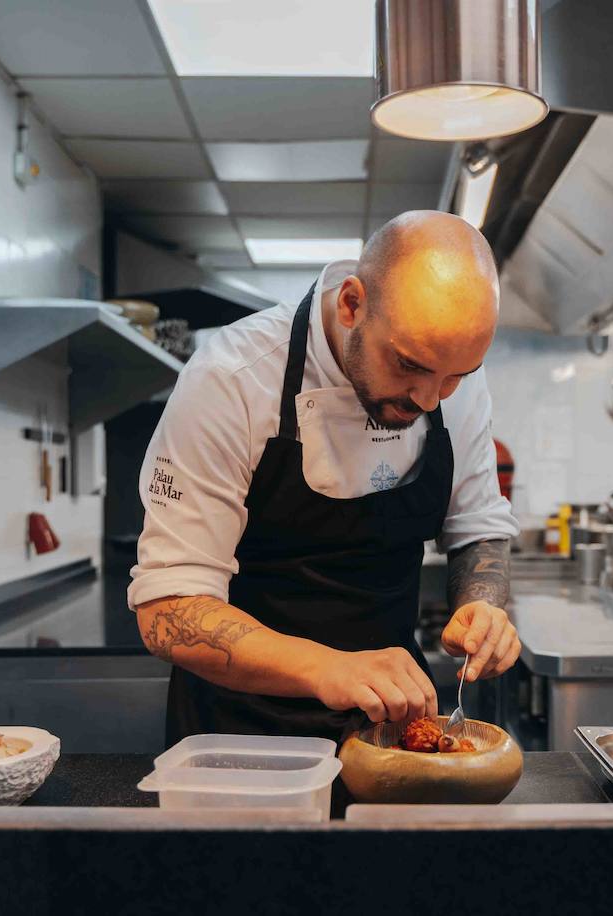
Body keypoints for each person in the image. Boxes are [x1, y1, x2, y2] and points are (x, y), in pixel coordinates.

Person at [129, 210, 520, 743]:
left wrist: (483, 605)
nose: (429, 399)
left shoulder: (449, 374)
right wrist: (330, 668)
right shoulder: (233, 379)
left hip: (394, 726)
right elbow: (167, 612)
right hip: (239, 736)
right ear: (352, 303)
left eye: (455, 377)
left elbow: (477, 528)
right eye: (408, 365)